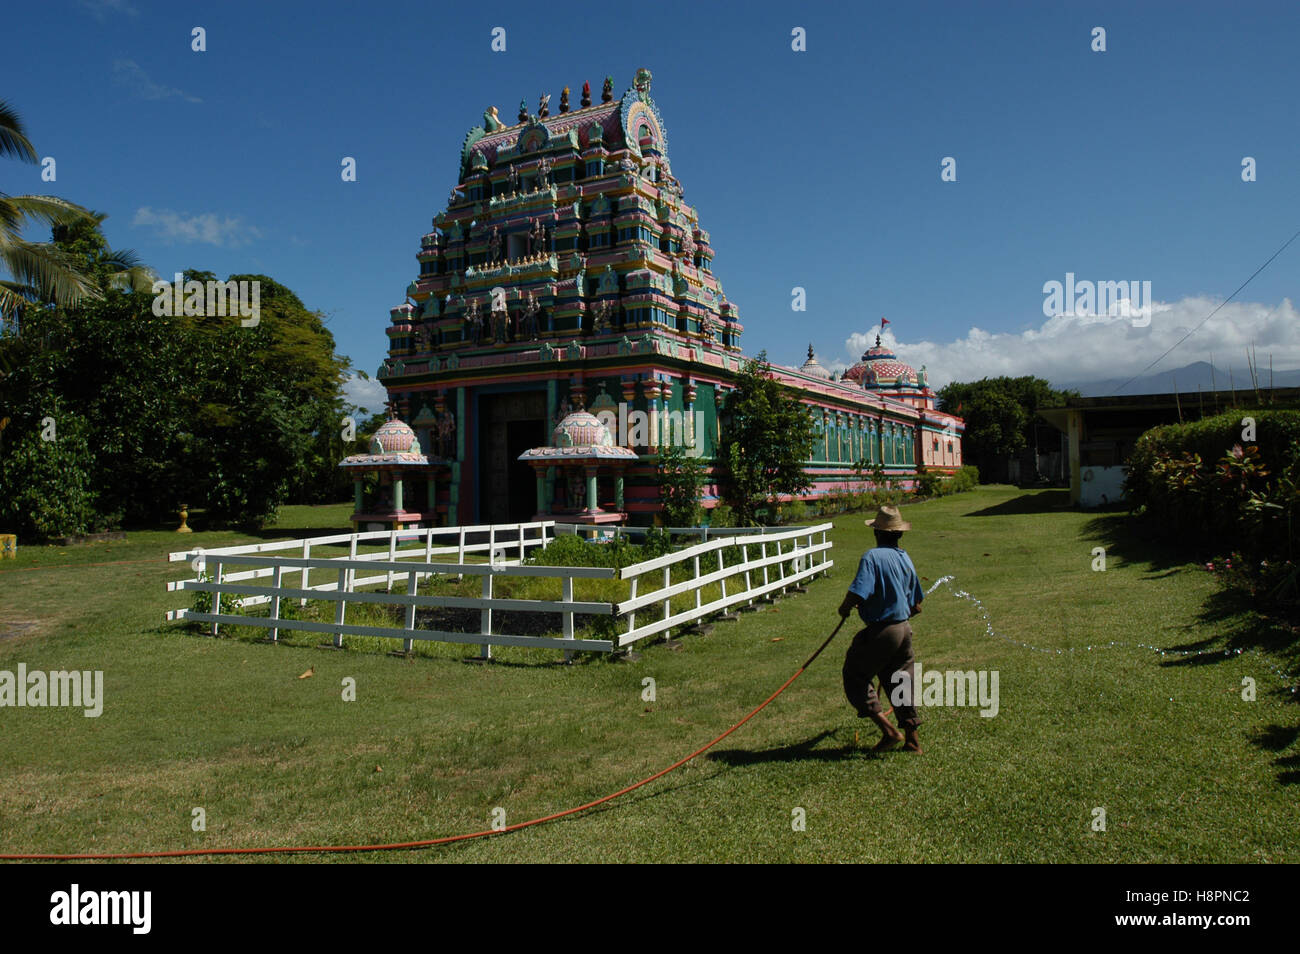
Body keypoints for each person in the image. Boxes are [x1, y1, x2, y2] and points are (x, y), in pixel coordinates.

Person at [837, 505, 924, 753]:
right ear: (899, 534)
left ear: (877, 532)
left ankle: (889, 732)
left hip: (883, 630)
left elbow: (858, 591)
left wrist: (844, 608)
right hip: (904, 630)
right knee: (900, 681)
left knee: (855, 675)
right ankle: (913, 740)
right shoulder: (905, 558)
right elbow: (917, 604)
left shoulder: (872, 557)